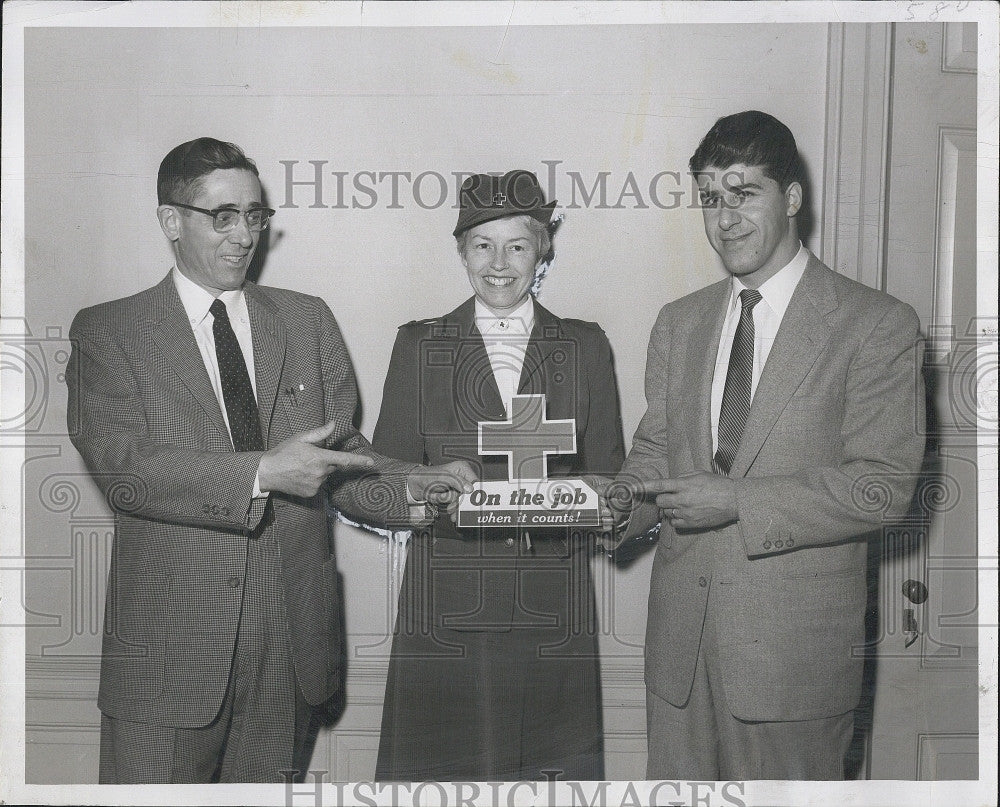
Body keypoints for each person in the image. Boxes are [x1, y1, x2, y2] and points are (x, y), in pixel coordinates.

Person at [66, 137, 473, 784]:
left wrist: (420, 486)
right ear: (171, 220)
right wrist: (261, 473)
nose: (243, 235)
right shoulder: (109, 331)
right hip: (170, 659)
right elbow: (125, 468)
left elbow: (342, 458)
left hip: (290, 651)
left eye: (255, 215)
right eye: (222, 215)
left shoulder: (306, 320)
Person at [613, 111, 926, 780]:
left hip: (794, 670)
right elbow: (655, 459)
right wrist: (608, 504)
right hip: (678, 664)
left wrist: (733, 501)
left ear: (790, 198)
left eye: (744, 193)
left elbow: (882, 487)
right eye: (710, 199)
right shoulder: (680, 321)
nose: (724, 218)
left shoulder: (876, 324)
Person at [372, 170, 625, 781]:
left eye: (518, 245)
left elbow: (617, 479)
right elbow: (375, 483)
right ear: (461, 251)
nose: (500, 263)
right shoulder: (419, 344)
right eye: (482, 245)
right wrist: (419, 488)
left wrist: (613, 504)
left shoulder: (585, 345)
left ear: (544, 249)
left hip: (551, 611)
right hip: (446, 614)